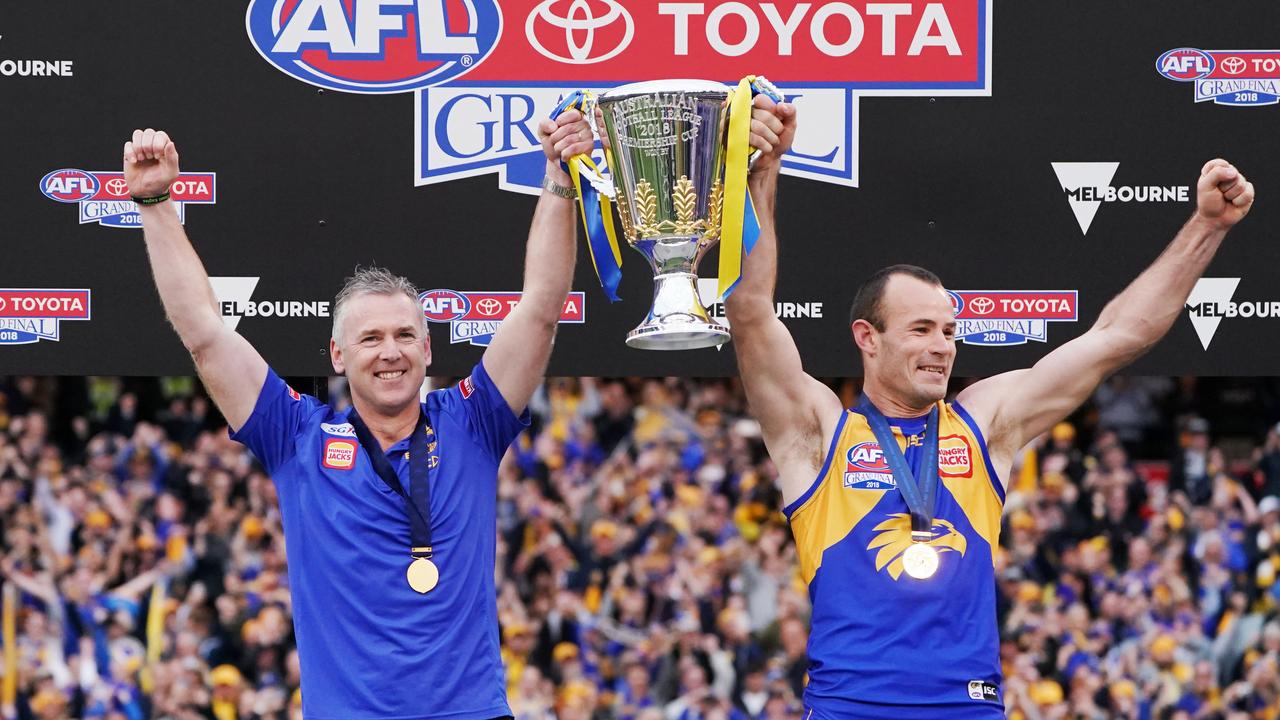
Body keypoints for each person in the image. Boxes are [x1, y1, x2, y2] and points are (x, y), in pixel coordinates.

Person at [726, 97, 1255, 719]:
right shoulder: (817, 433)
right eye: (921, 329)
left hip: (968, 707)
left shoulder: (986, 424)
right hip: (850, 705)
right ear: (868, 338)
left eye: (949, 332)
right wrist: (762, 174)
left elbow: (1118, 336)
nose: (942, 347)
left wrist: (1207, 227)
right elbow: (750, 311)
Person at [120, 110, 595, 719]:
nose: (390, 352)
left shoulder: (472, 421)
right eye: (370, 339)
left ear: (428, 349)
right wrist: (157, 202)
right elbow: (205, 334)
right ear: (338, 356)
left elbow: (540, 311)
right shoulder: (297, 436)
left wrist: (558, 176)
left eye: (404, 335)